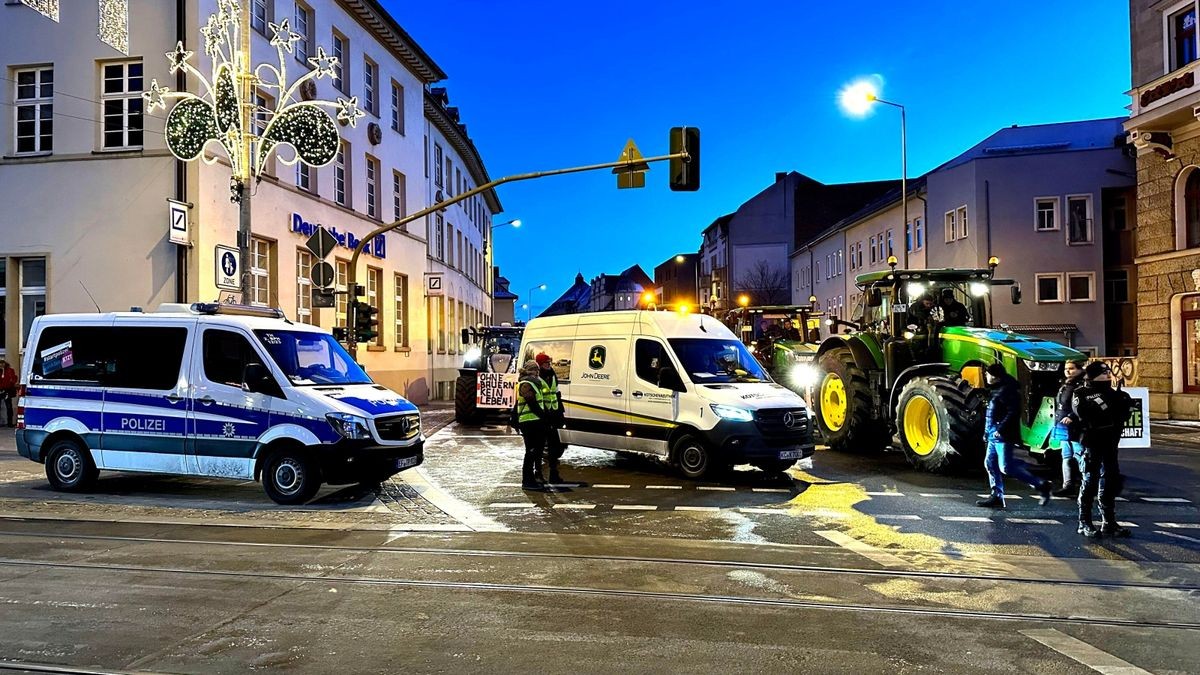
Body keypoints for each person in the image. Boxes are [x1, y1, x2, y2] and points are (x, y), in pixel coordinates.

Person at [977, 363, 1053, 508]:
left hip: (1003, 435)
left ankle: (1041, 485)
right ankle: (997, 496)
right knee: (990, 463)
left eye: (988, 374)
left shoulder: (1007, 390)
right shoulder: (997, 389)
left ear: (995, 376)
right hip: (994, 434)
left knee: (1006, 467)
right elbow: (991, 414)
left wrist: (1000, 429)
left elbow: (1013, 412)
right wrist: (987, 432)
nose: (986, 376)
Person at [1072, 362, 1134, 538]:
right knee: (1090, 480)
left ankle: (1109, 522)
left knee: (1110, 480)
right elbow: (1084, 412)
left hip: (1110, 442)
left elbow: (1121, 416)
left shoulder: (1114, 394)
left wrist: (1123, 403)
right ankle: (1084, 522)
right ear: (1092, 375)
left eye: (1108, 371)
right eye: (1103, 372)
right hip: (1092, 443)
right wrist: (1106, 405)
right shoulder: (1081, 392)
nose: (1107, 374)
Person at [514, 359, 568, 493]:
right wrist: (544, 416)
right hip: (529, 422)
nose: (537, 372)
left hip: (535, 422)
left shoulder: (535, 383)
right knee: (531, 452)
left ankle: (532, 479)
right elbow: (532, 403)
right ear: (529, 371)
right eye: (535, 370)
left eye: (538, 370)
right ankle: (527, 481)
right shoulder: (525, 384)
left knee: (536, 451)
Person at [535, 353, 585, 487]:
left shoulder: (551, 374)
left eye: (549, 362)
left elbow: (556, 394)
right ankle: (538, 473)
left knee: (554, 446)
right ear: (540, 364)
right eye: (545, 363)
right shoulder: (537, 378)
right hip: (542, 416)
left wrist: (560, 414)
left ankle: (553, 473)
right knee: (539, 447)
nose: (548, 365)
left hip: (553, 415)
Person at [1052, 360, 1087, 497]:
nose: (1068, 371)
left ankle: (1088, 482)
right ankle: (1068, 485)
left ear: (1079, 369)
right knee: (1066, 455)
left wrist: (1072, 416)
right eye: (1066, 368)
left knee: (1079, 454)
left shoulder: (1082, 384)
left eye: (1071, 368)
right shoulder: (1066, 383)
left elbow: (1083, 403)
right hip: (1062, 424)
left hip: (1075, 426)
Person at [0, 359, 16, 427]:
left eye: (2, 364)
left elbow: (14, 378)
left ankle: (10, 422)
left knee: (9, 406)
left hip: (7, 390)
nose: (1, 365)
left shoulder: (10, 370)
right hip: (1, 390)